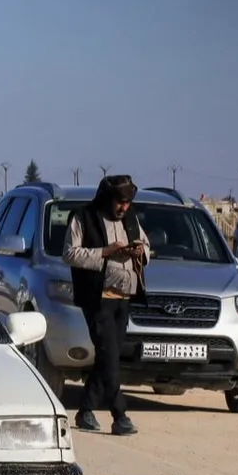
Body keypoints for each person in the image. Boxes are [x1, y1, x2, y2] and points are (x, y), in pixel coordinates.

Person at [63, 174, 150, 436]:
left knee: (107, 357)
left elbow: (147, 245)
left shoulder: (131, 219)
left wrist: (139, 251)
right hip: (97, 299)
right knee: (110, 358)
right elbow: (69, 254)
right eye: (120, 202)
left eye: (127, 202)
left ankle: (85, 410)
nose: (124, 207)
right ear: (107, 198)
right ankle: (119, 415)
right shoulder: (83, 217)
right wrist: (105, 251)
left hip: (124, 298)